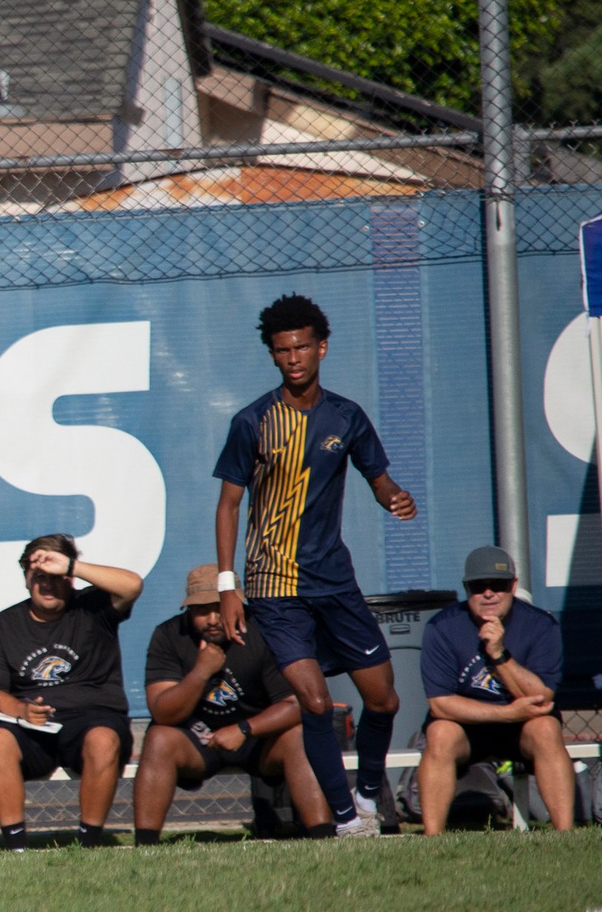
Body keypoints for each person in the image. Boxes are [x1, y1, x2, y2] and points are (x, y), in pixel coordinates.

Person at [214, 293, 418, 838]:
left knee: (383, 699)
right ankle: (348, 822)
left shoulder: (347, 417)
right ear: (273, 356)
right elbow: (229, 503)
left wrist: (396, 497)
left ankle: (368, 794)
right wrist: (228, 584)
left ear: (321, 348)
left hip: (335, 581)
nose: (294, 357)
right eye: (283, 350)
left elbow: (379, 481)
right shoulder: (253, 421)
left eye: (302, 346)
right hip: (274, 584)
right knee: (315, 700)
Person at [133, 564, 326, 843]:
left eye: (219, 608)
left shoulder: (264, 631)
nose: (212, 619)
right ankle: (146, 845)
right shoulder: (170, 635)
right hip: (197, 739)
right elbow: (162, 712)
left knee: (298, 736)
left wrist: (244, 729)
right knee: (158, 738)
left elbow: (297, 704)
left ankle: (324, 837)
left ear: (236, 603)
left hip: (259, 738)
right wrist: (201, 672)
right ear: (187, 610)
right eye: (201, 610)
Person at [0, 535, 142, 850]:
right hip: (34, 725)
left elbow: (133, 585)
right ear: (26, 579)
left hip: (93, 718)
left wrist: (71, 566)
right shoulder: (5, 624)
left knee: (103, 739)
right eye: (39, 576)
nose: (48, 585)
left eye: (56, 577)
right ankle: (17, 848)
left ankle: (88, 845)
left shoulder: (93, 607)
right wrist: (22, 711)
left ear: (69, 578)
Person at [417, 546, 574, 833]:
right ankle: (432, 838)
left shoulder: (540, 625)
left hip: (524, 728)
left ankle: (566, 834)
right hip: (467, 728)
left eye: (498, 585)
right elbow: (440, 704)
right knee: (439, 733)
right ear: (467, 589)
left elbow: (541, 698)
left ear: (513, 586)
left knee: (547, 729)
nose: (489, 594)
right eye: (479, 587)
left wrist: (499, 654)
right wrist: (508, 714)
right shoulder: (442, 628)